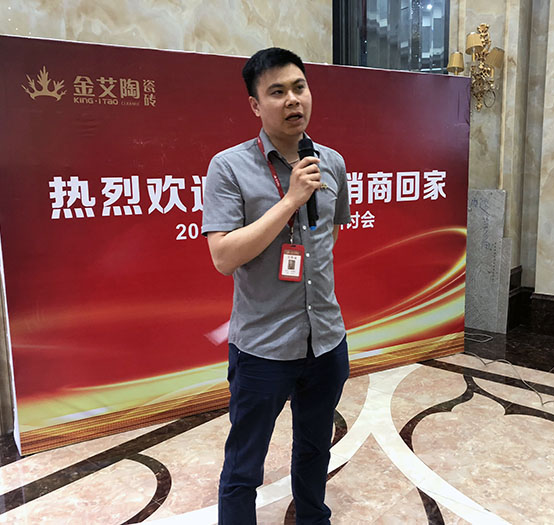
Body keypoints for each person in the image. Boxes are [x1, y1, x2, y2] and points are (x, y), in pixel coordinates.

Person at [202, 47, 351, 525]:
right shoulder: (228, 167)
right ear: (255, 104)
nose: (293, 100)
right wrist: (290, 201)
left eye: (299, 87)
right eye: (277, 92)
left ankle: (313, 518)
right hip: (263, 347)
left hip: (325, 339)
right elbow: (223, 257)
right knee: (244, 464)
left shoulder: (332, 162)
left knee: (315, 448)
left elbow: (328, 237)